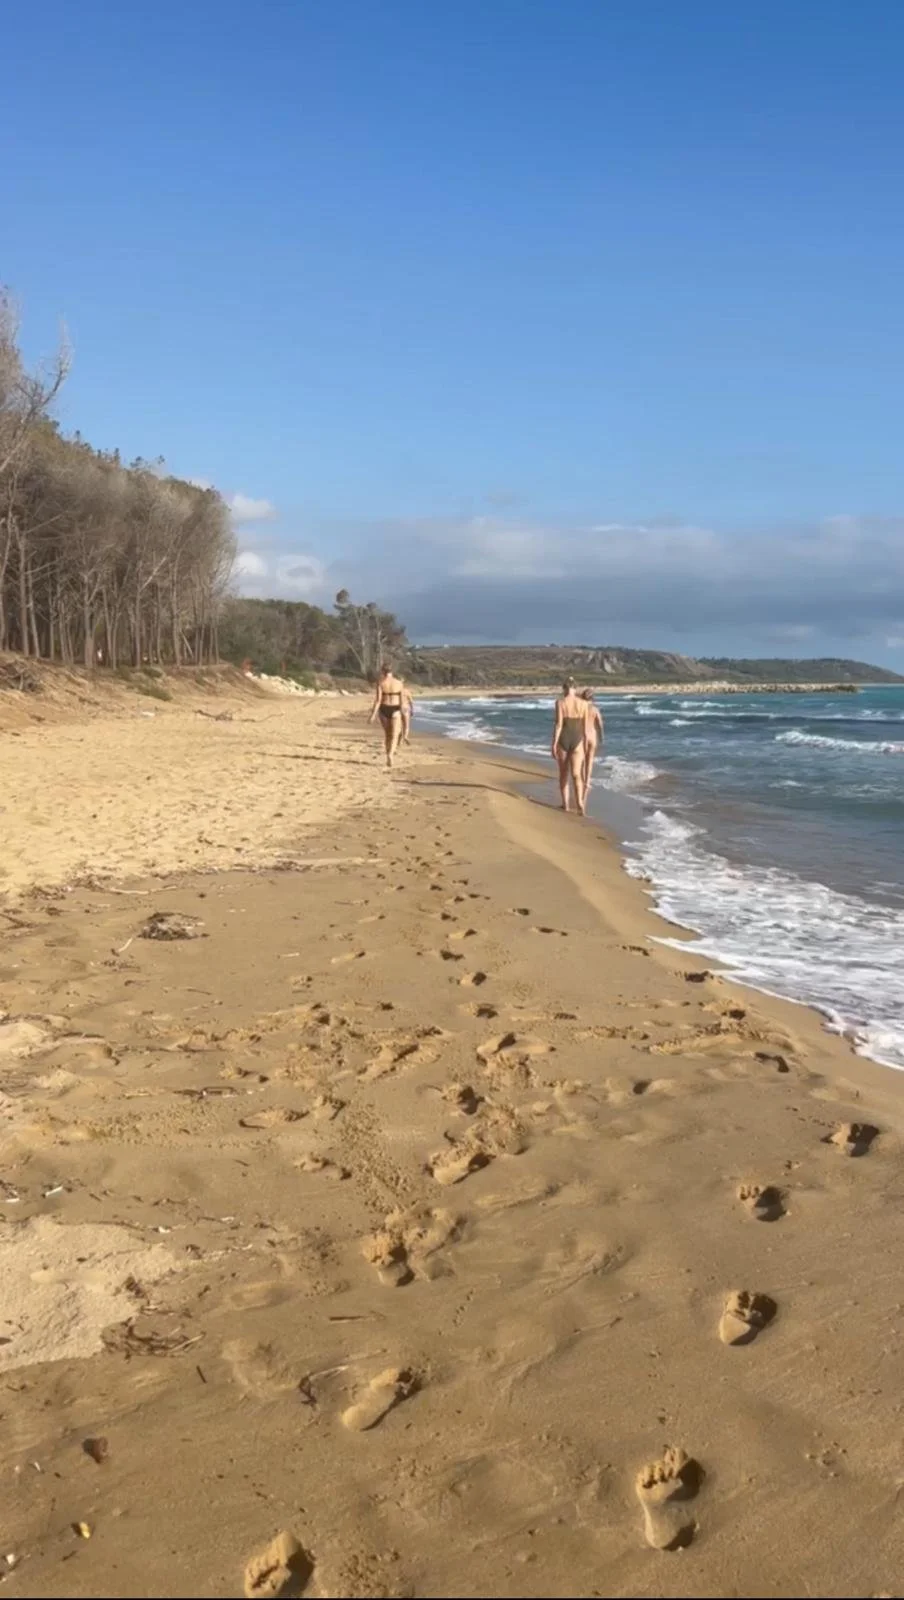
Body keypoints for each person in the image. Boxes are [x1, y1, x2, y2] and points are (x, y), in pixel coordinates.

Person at [551, 677, 591, 814]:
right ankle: (579, 802)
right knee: (576, 774)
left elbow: (558, 725)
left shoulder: (560, 703)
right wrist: (586, 746)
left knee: (563, 774)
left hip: (564, 739)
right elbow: (586, 729)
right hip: (578, 740)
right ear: (576, 688)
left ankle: (566, 804)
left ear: (564, 688)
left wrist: (553, 744)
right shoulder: (584, 704)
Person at [370, 663, 406, 770]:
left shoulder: (380, 683)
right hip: (395, 709)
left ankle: (387, 754)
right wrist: (403, 715)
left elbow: (378, 701)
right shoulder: (399, 683)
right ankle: (391, 754)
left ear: (382, 671)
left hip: (383, 709)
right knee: (395, 735)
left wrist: (372, 715)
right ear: (392, 671)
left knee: (387, 735)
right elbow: (402, 702)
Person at [581, 688, 604, 790]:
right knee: (589, 761)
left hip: (582, 736)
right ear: (593, 698)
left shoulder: (580, 708)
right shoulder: (595, 709)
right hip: (592, 736)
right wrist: (601, 736)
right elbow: (599, 724)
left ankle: (581, 780)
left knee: (581, 760)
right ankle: (587, 782)